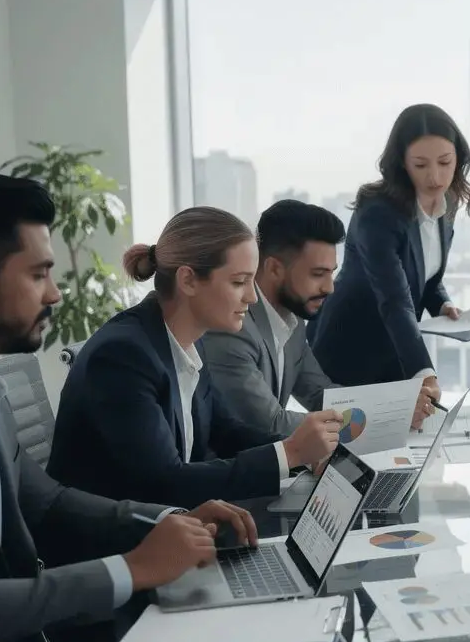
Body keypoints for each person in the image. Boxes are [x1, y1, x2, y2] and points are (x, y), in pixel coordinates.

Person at [0, 170, 260, 642]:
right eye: (37, 274)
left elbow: (45, 503)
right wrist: (130, 569)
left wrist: (165, 521)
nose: (55, 294)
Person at [48, 207, 342, 509]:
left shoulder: (188, 342)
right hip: (120, 546)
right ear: (188, 280)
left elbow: (224, 430)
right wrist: (289, 453)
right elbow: (164, 483)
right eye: (239, 282)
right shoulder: (124, 356)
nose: (252, 298)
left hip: (173, 527)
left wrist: (299, 454)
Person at [310, 104, 470, 427]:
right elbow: (395, 297)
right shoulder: (378, 212)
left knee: (403, 453)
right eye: (421, 165)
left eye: (445, 163)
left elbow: (424, 273)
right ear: (402, 163)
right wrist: (426, 374)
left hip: (395, 349)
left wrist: (442, 303)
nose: (436, 177)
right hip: (352, 348)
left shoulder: (447, 202)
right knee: (352, 453)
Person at [202, 200, 344, 435]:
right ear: (274, 269)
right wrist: (354, 424)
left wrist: (398, 406)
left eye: (332, 273)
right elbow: (269, 424)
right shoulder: (232, 325)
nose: (329, 288)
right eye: (318, 274)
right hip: (232, 467)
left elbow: (320, 394)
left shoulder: (293, 318)